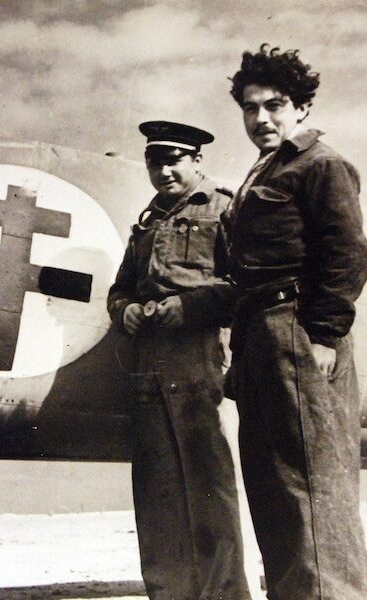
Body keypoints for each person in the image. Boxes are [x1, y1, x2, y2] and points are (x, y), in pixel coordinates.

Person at [226, 44, 367, 599]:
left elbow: (348, 252)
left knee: (311, 482)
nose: (261, 118)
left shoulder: (321, 164)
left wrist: (327, 334)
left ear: (302, 107)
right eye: (250, 107)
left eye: (275, 105)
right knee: (272, 484)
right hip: (260, 332)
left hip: (297, 328)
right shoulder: (266, 169)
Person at [107, 121, 250, 600]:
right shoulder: (148, 221)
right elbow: (121, 287)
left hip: (200, 354)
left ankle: (224, 595)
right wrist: (123, 309)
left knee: (209, 487)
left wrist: (190, 307)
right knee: (156, 490)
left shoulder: (225, 209)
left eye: (174, 160)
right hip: (149, 359)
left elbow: (246, 285)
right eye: (155, 161)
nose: (163, 170)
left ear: (196, 161)